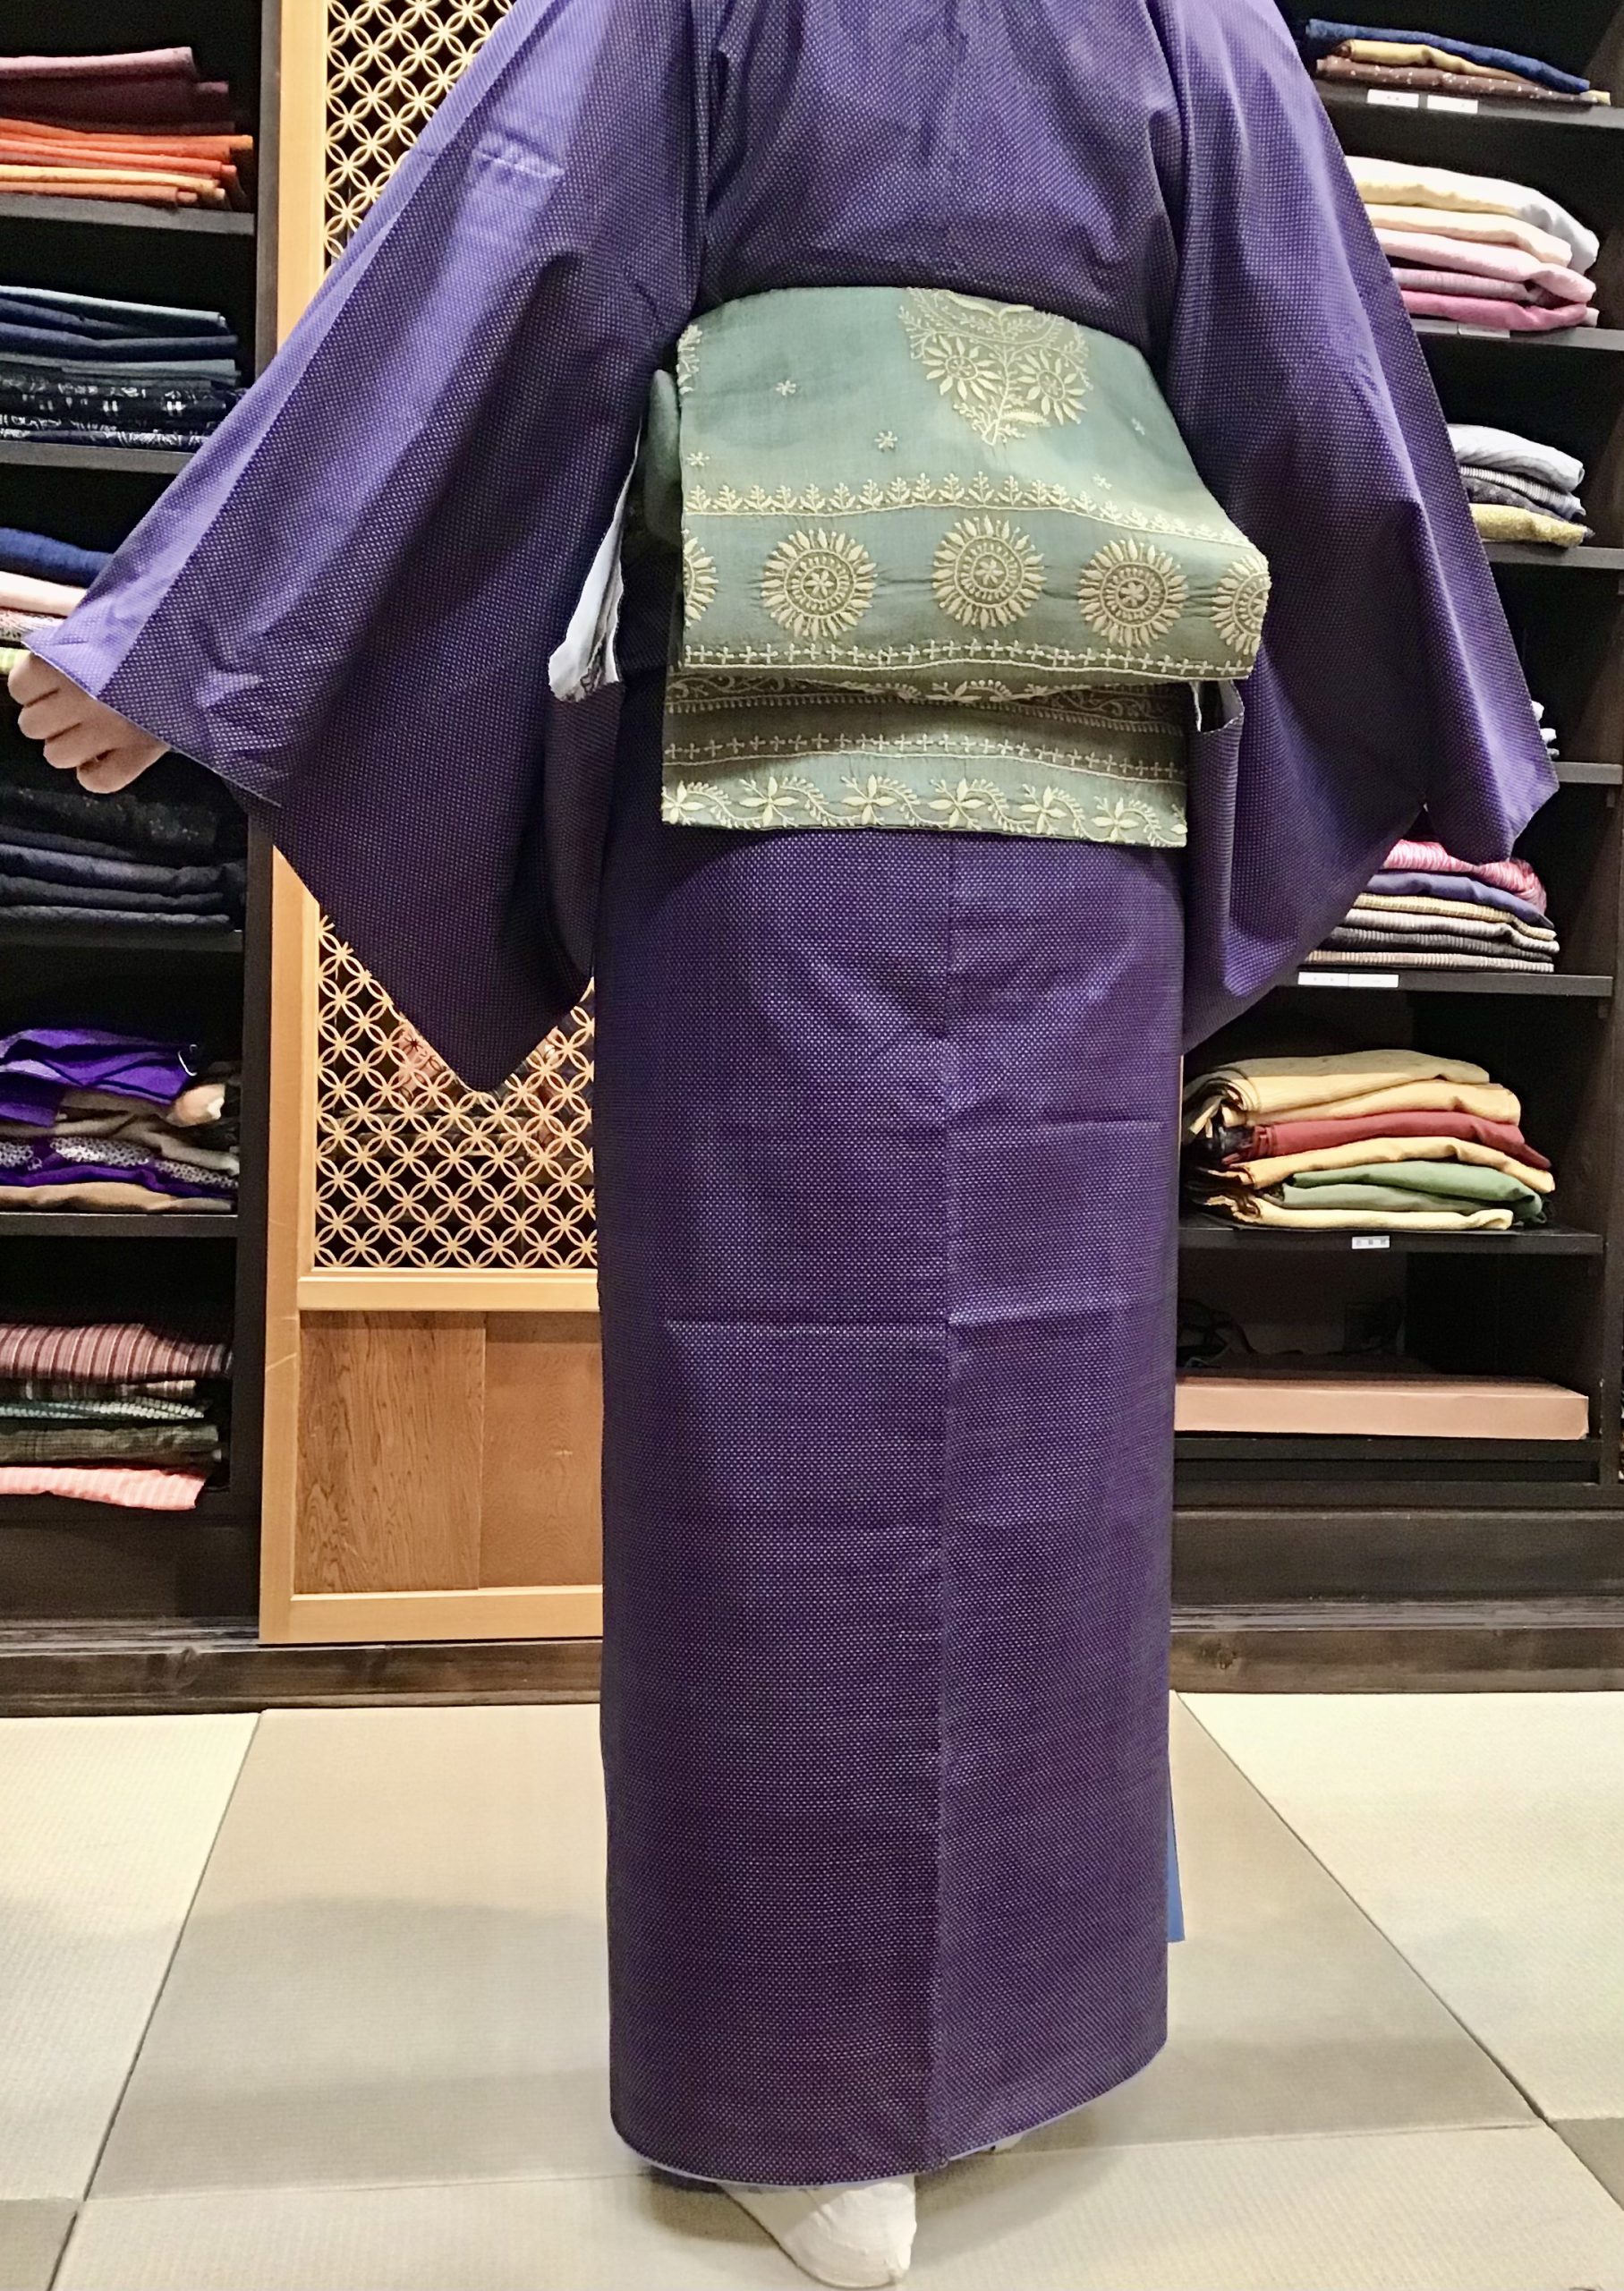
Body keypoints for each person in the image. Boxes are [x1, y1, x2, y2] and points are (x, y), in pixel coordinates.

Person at [7, 1, 1553, 2281]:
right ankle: (960, 2034)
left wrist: (201, 630)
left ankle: (832, 2083)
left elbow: (506, 277)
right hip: (1052, 824)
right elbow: (1320, 393)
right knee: (981, 1416)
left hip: (780, 819)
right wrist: (1455, 718)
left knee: (815, 1418)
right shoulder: (1190, 21)